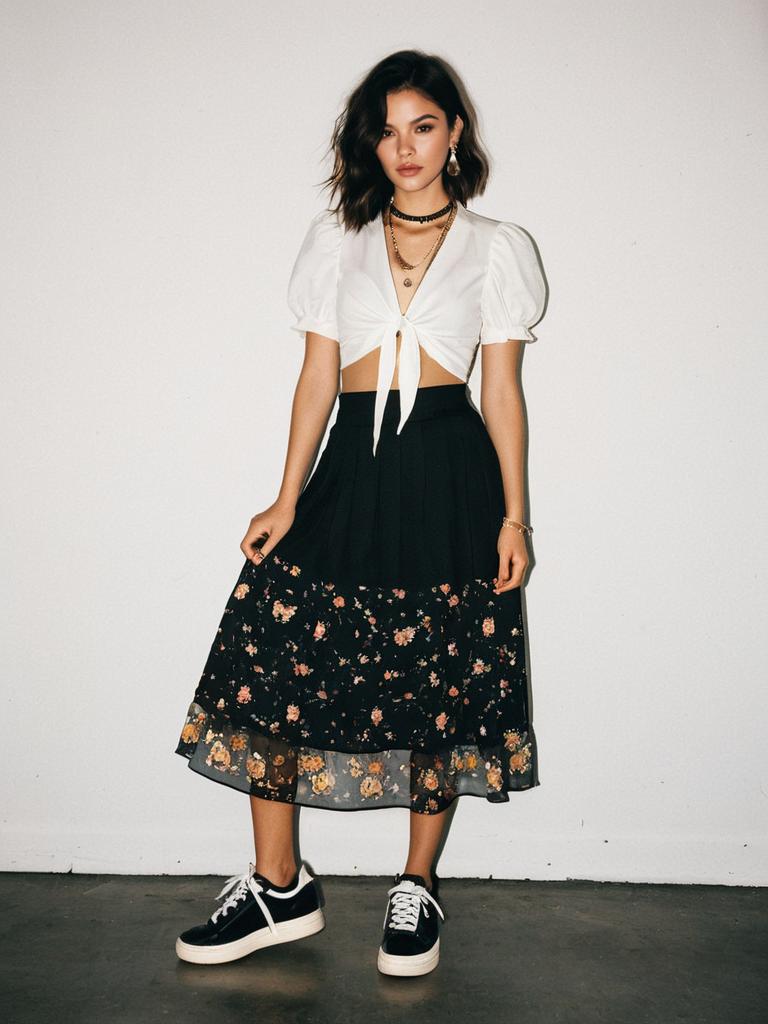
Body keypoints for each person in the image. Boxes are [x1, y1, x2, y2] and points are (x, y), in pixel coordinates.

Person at [173, 48, 547, 978]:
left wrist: (515, 518)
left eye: (423, 126)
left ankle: (415, 885)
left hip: (451, 472)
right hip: (350, 466)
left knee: (439, 677)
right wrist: (287, 495)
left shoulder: (498, 247)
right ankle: (279, 886)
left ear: (454, 133)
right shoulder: (337, 240)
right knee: (269, 657)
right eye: (387, 131)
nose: (405, 147)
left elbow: (502, 392)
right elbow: (315, 377)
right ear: (369, 145)